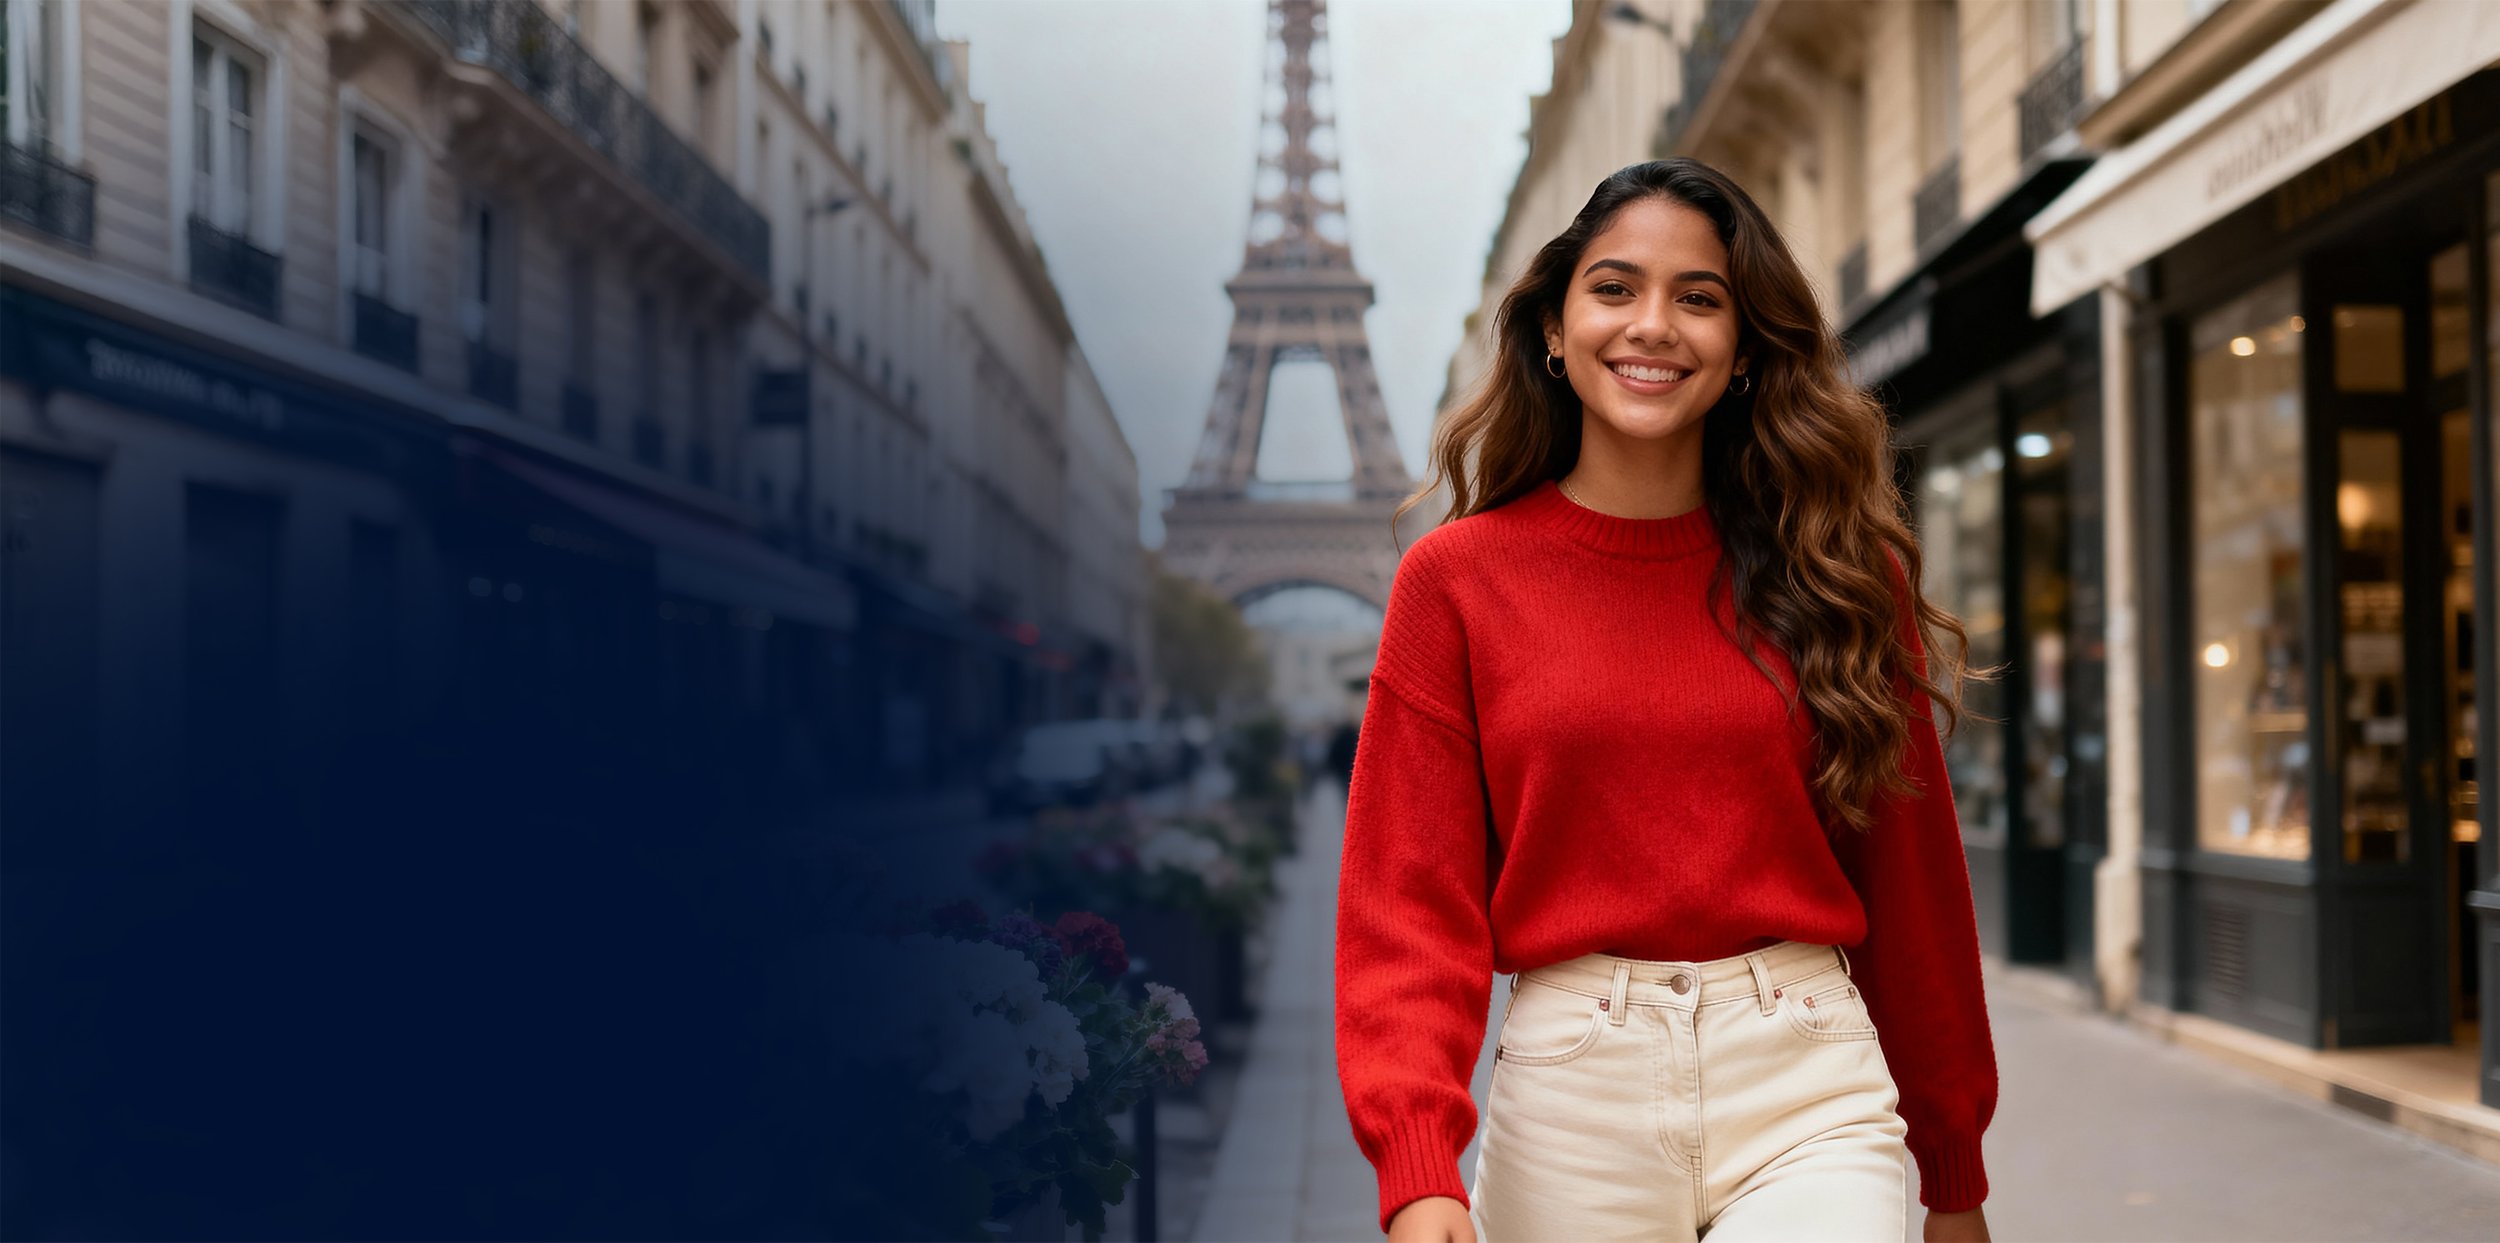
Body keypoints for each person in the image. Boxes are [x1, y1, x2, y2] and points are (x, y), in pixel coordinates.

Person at [1334, 158, 1998, 1243]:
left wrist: (1952, 1169)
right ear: (1553, 327)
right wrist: (1417, 1164)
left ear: (1741, 351)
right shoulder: (1455, 582)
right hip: (1568, 1096)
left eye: (1698, 298)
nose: (1652, 325)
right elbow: (1407, 902)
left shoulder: (1834, 570)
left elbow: (1914, 882)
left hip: (1808, 1082)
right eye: (1613, 288)